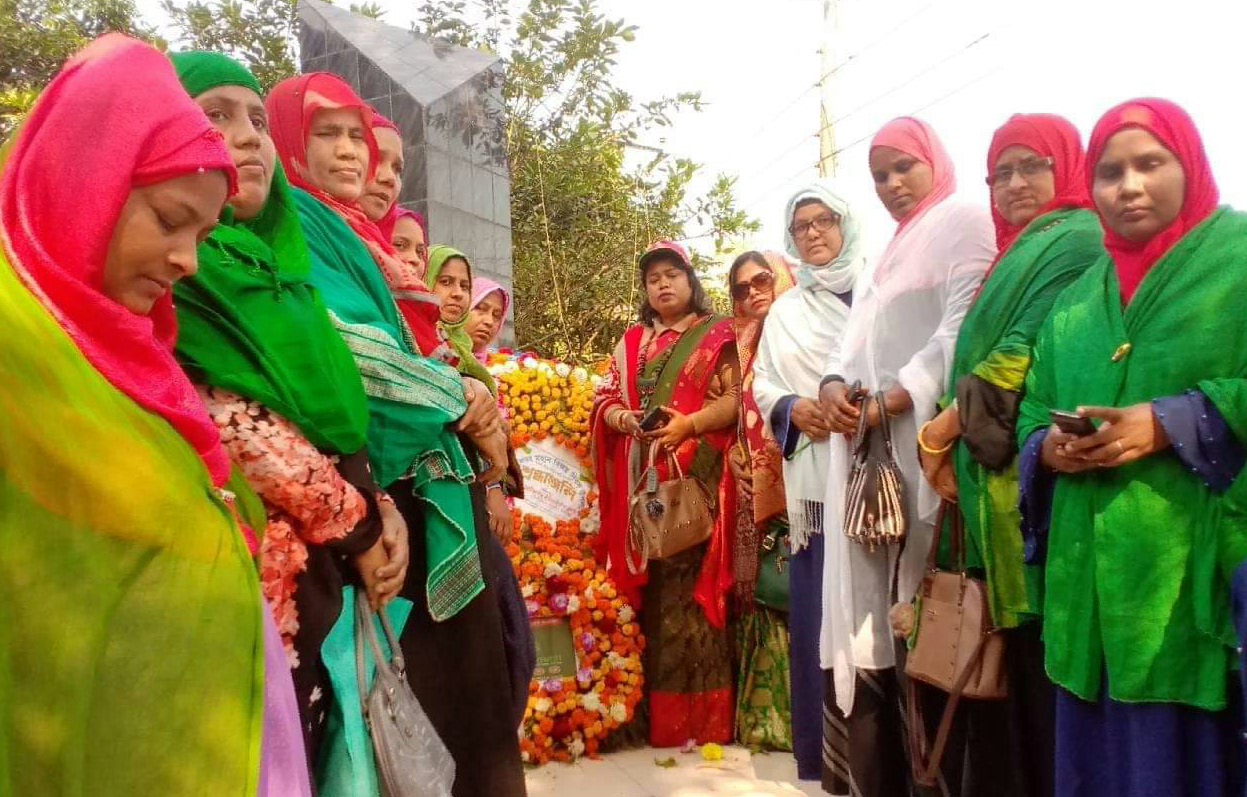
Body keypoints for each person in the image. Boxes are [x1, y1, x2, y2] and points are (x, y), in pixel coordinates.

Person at [0, 34, 287, 795]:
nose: (188, 260)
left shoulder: (136, 356)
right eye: (167, 219)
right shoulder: (14, 347)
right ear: (82, 182)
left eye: (202, 235)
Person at [266, 72, 527, 796]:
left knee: (472, 699)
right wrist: (462, 397)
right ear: (289, 140)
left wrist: (472, 397)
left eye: (359, 135)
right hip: (381, 499)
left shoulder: (358, 237)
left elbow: (415, 350)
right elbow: (355, 355)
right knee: (417, 716)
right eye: (327, 133)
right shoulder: (298, 228)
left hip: (420, 487)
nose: (354, 153)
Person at [168, 51, 410, 774]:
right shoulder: (178, 268)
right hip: (248, 581)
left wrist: (379, 505)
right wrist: (361, 523)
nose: (248, 138)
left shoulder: (290, 274)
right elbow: (234, 423)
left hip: (332, 567)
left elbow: (339, 410)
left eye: (256, 120)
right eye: (216, 115)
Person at [1015, 98, 1247, 797]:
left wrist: (1173, 420)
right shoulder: (1077, 300)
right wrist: (1047, 449)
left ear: (1190, 163)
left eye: (1151, 163)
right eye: (1110, 172)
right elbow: (1032, 407)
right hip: (1088, 589)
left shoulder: (1236, 259)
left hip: (1189, 583)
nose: (1129, 186)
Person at [914, 113, 1103, 796]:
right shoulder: (1017, 247)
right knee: (1003, 673)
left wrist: (940, 430)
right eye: (1001, 172)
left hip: (1030, 477)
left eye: (1032, 166)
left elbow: (1019, 348)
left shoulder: (1077, 237)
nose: (1016, 183)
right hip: (984, 479)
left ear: (1067, 166)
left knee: (1033, 667)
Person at [817, 118, 994, 797]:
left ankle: (933, 777)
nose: (891, 185)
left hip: (924, 453)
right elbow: (851, 344)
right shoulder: (889, 251)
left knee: (926, 613)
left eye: (903, 168)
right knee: (873, 621)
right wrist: (833, 387)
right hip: (867, 460)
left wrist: (897, 397)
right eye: (879, 176)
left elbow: (962, 326)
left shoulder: (964, 222)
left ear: (934, 161)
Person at [592, 240, 739, 748]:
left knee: (691, 595)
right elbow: (605, 396)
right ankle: (653, 721)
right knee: (649, 598)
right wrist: (624, 419)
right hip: (640, 483)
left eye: (672, 274)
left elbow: (737, 397)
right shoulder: (633, 342)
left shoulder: (716, 334)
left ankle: (703, 723)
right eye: (653, 278)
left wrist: (689, 425)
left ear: (690, 280)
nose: (663, 284)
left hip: (694, 480)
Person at [750, 182, 866, 783]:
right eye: (802, 227)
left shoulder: (878, 288)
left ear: (845, 224)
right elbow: (763, 382)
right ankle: (824, 758)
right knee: (819, 616)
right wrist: (794, 408)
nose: (814, 233)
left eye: (824, 221)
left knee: (874, 620)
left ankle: (880, 760)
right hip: (816, 489)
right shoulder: (786, 312)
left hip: (876, 481)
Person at [726, 250, 797, 753]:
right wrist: (736, 454)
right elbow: (741, 418)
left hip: (804, 488)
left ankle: (807, 720)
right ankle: (767, 720)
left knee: (799, 591)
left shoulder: (806, 332)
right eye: (740, 288)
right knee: (765, 593)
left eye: (762, 280)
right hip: (754, 493)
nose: (752, 292)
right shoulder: (742, 346)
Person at [466, 276, 511, 360]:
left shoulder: (501, 365)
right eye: (481, 308)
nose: (489, 321)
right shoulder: (440, 356)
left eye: (496, 315)